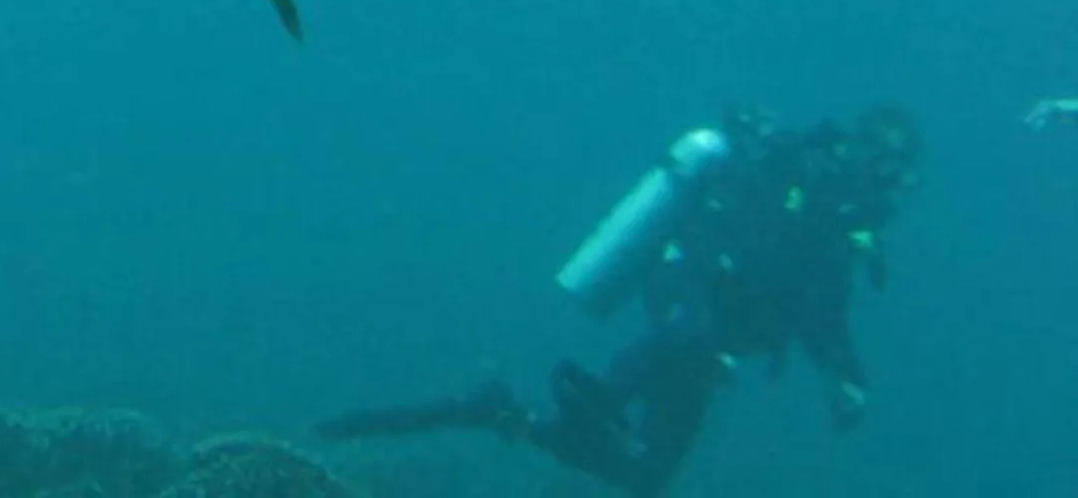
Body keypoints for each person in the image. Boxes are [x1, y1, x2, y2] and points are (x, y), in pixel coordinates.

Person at [314, 103, 921, 497]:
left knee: (648, 474)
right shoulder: (787, 188)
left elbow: (824, 317)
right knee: (626, 423)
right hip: (687, 333)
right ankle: (569, 402)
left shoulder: (837, 234)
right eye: (886, 169)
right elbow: (713, 252)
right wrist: (699, 335)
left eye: (900, 177)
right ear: (859, 154)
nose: (889, 188)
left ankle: (507, 416)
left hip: (706, 351)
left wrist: (846, 379)